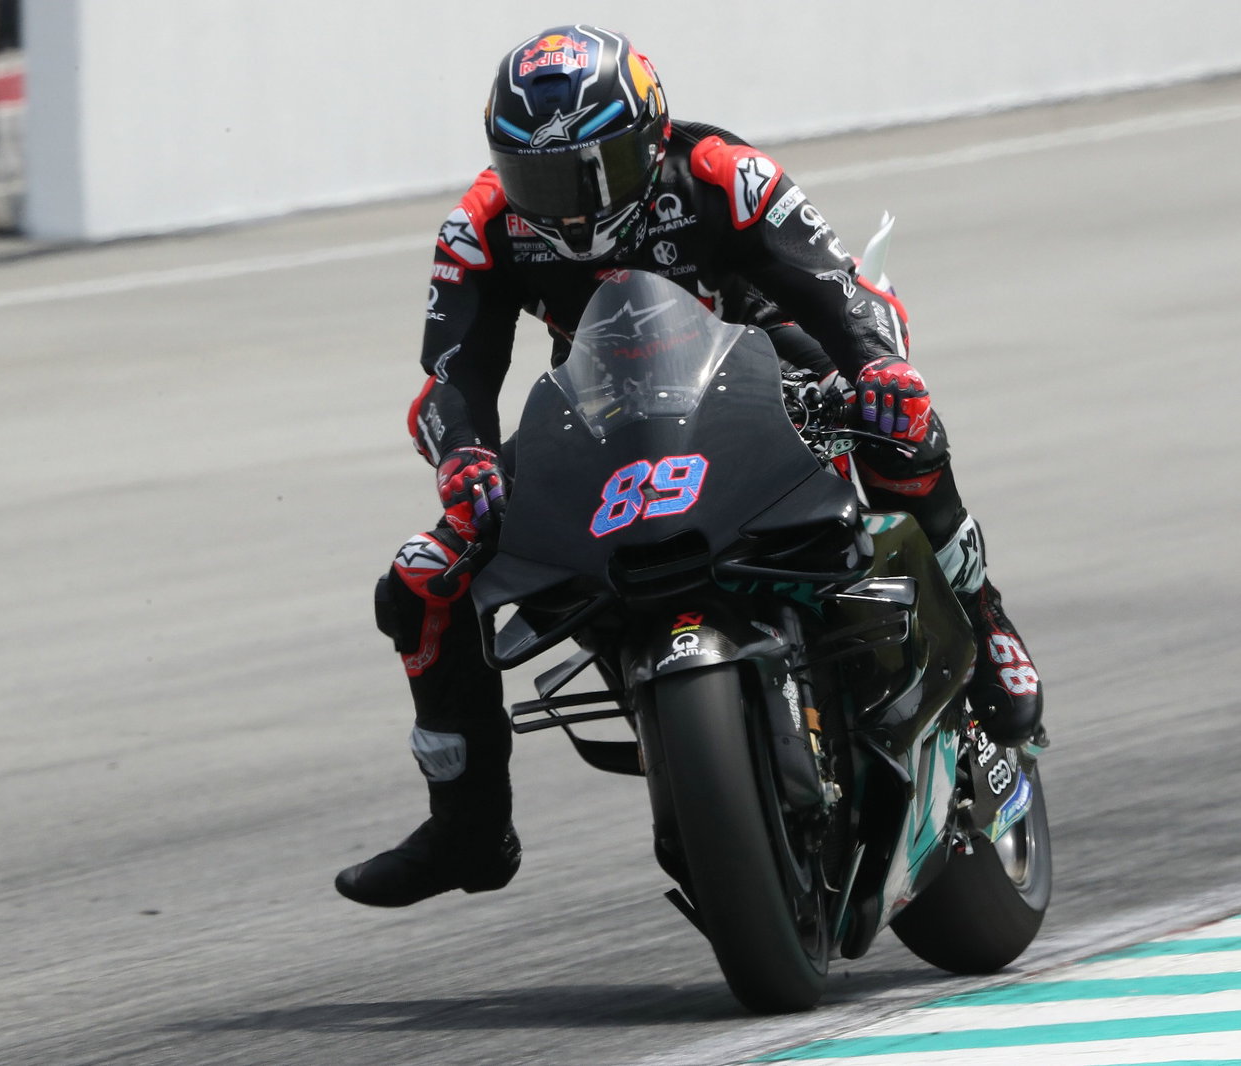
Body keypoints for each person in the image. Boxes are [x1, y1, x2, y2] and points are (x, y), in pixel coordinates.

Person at [335, 25, 1044, 908]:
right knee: (422, 581)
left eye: (595, 172)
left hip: (769, 368)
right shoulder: (480, 225)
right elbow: (452, 378)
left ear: (650, 138)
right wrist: (468, 459)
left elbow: (837, 289)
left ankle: (987, 625)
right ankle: (469, 826)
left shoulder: (718, 171)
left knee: (902, 425)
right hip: (609, 408)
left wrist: (878, 370)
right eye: (542, 179)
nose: (570, 205)